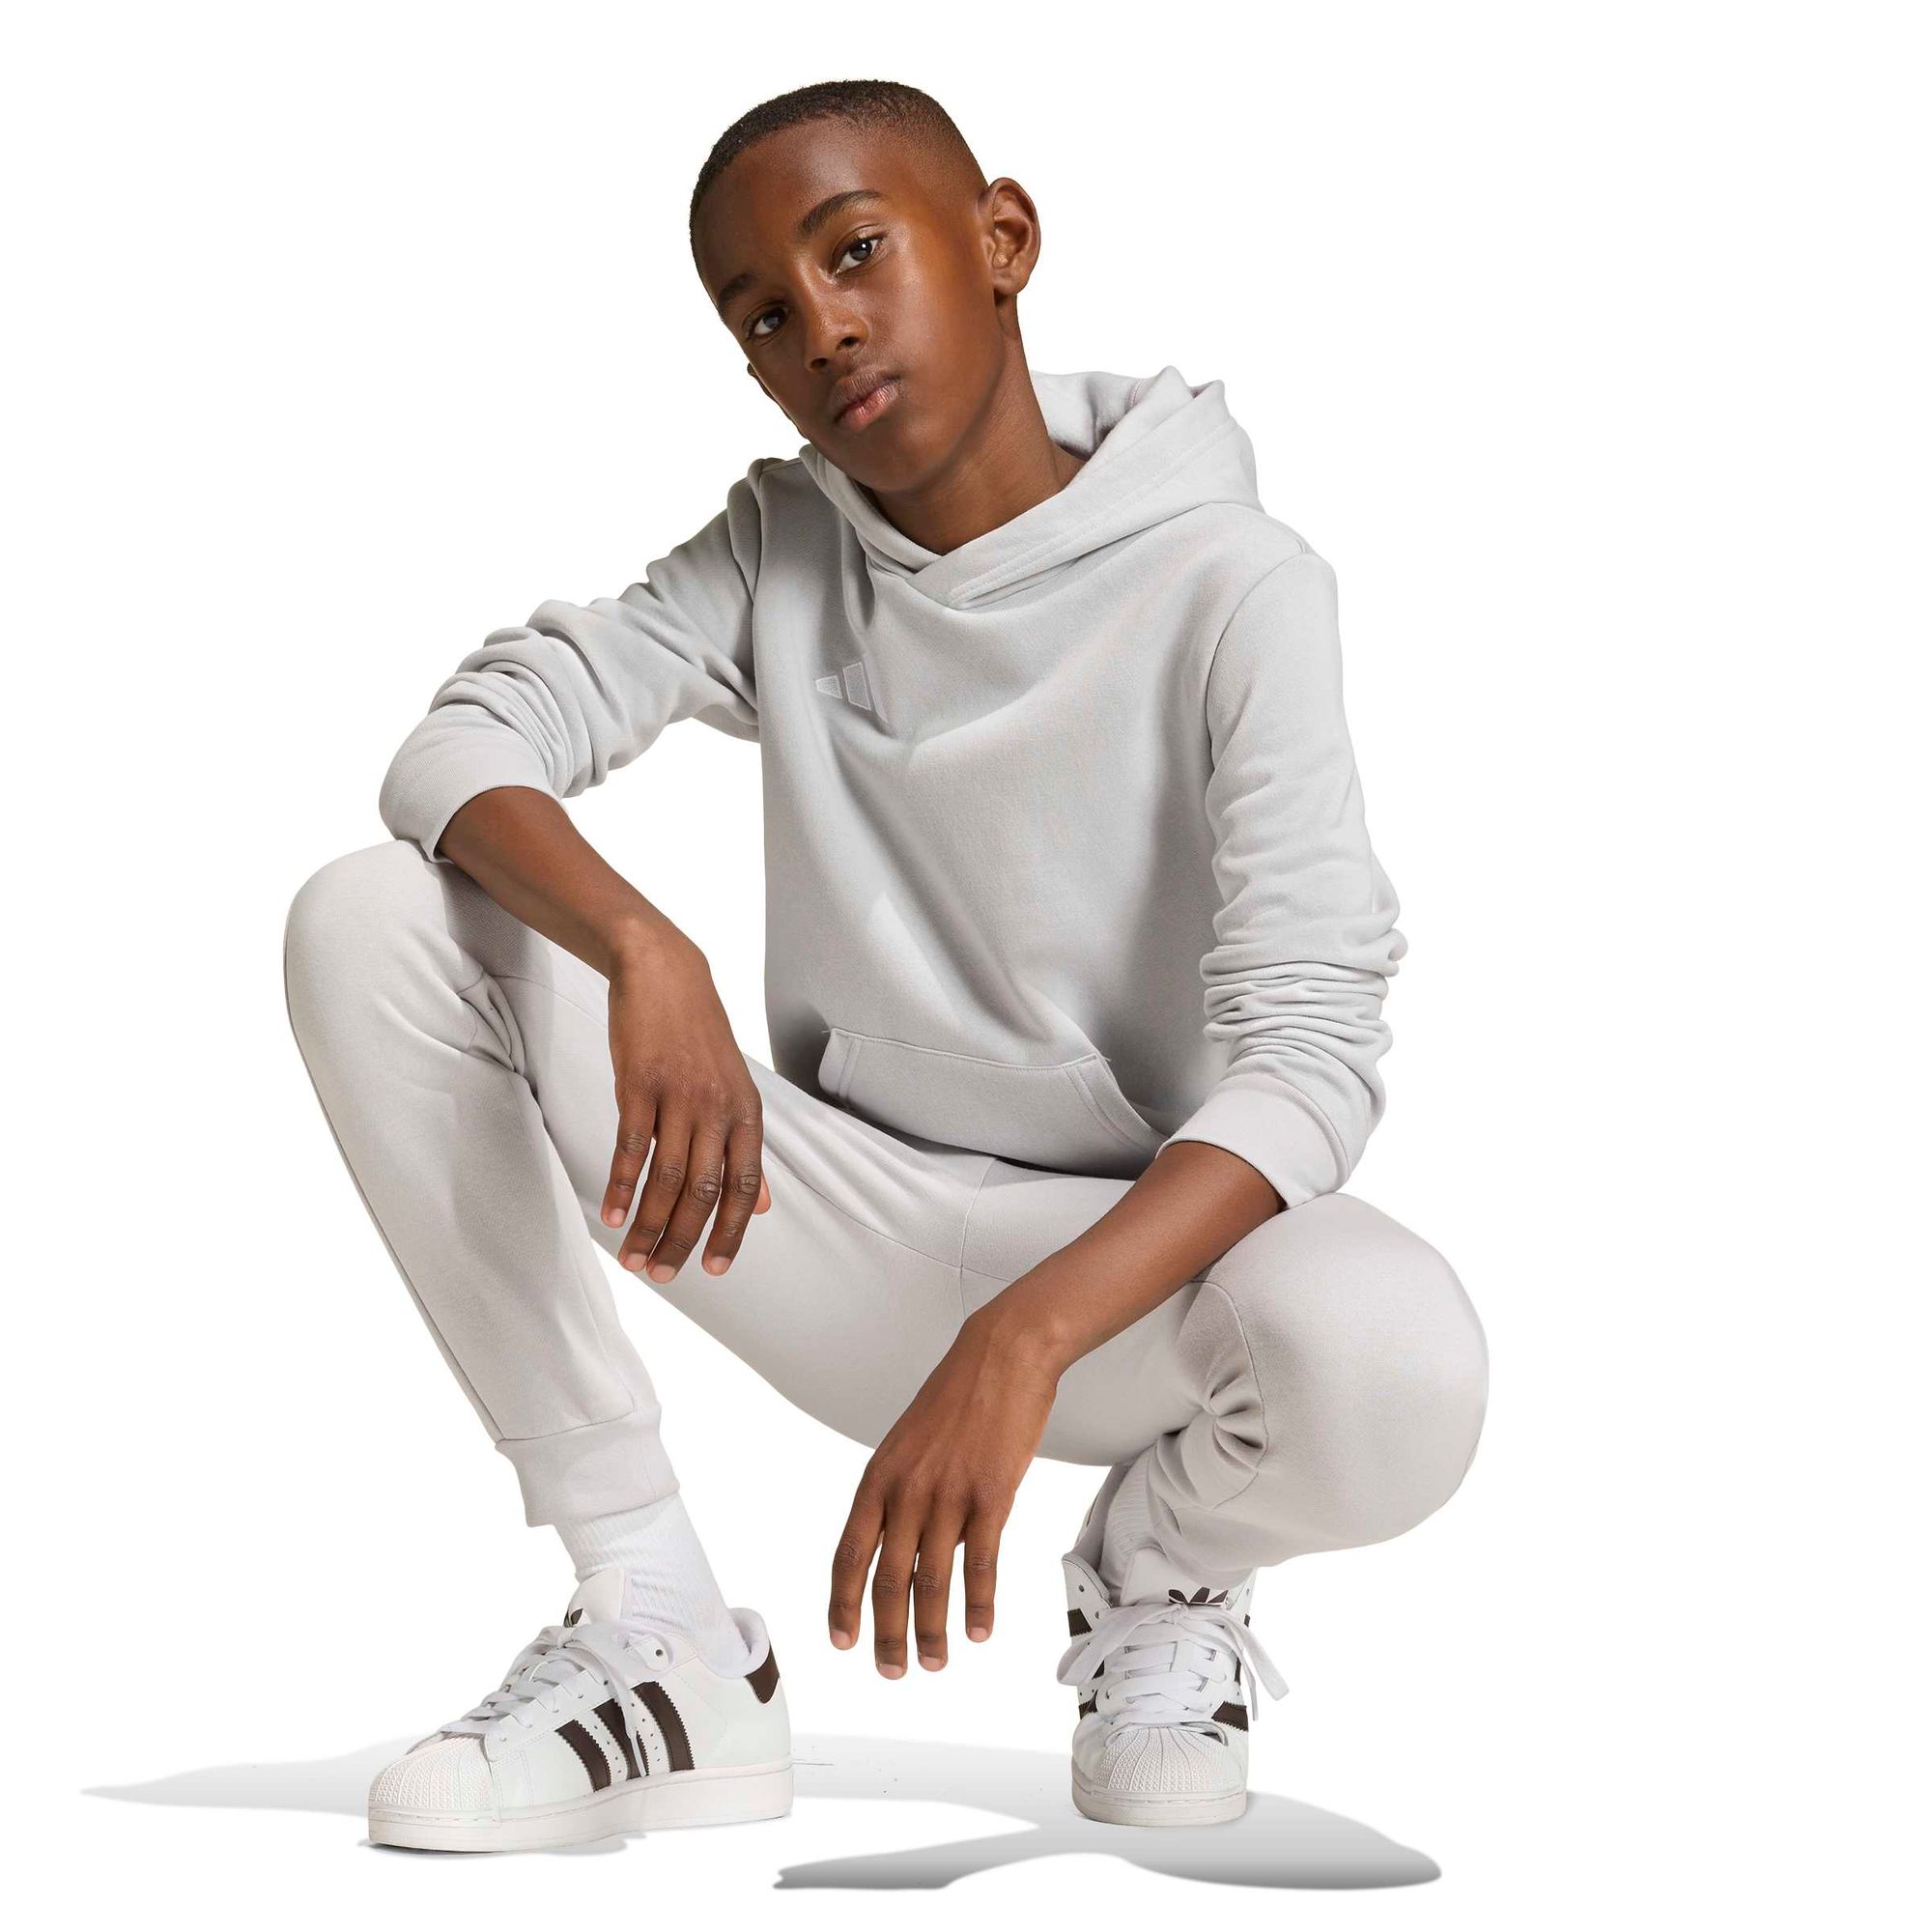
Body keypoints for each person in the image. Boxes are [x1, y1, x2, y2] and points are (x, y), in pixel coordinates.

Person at [282, 76, 1489, 1855]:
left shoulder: (1238, 587)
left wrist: (1028, 1334)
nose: (823, 328)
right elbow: (462, 744)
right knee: (373, 916)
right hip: (823, 1224)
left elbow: (1310, 1055)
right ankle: (659, 1624)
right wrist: (645, 945)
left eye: (855, 253)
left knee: (1399, 1357)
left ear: (1002, 239)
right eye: (764, 315)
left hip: (1121, 1290)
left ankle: (1162, 1574)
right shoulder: (786, 545)